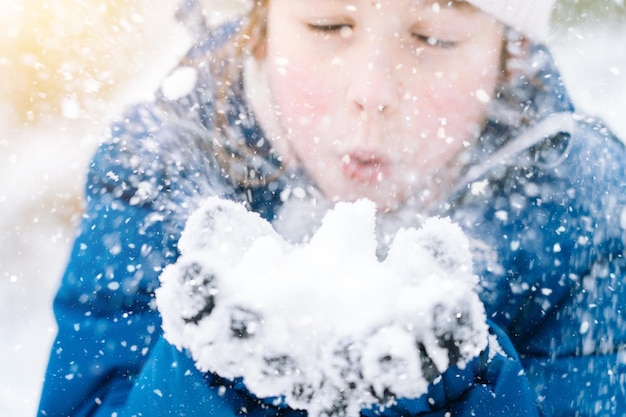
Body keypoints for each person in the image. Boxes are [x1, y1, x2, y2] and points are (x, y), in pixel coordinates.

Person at [37, 0, 626, 416]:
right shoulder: (158, 171)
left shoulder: (577, 204)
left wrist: (463, 388)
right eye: (327, 23)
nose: (371, 91)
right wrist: (205, 377)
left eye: (432, 37)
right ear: (263, 28)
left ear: (509, 50)